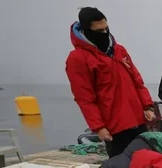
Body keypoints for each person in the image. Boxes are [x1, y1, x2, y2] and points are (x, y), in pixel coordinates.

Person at [66, 7, 156, 158]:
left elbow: (137, 81)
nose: (104, 33)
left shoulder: (120, 50)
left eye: (106, 29)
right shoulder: (78, 58)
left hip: (138, 120)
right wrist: (99, 127)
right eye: (99, 31)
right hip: (115, 127)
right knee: (121, 167)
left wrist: (148, 106)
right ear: (87, 30)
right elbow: (85, 98)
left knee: (147, 161)